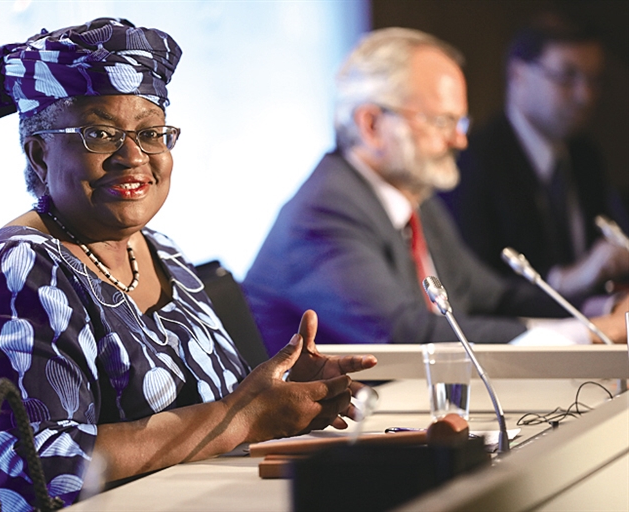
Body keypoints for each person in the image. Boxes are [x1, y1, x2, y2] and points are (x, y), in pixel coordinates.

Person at [0, 18, 375, 511]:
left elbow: (208, 411)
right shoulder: (18, 270)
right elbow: (37, 466)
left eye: (151, 133)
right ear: (39, 154)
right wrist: (241, 417)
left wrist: (285, 390)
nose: (133, 156)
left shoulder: (162, 253)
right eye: (100, 133)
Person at [242, 27, 629, 356]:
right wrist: (587, 333)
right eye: (442, 121)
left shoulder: (415, 198)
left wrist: (602, 307)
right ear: (371, 125)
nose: (460, 140)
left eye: (460, 122)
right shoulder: (325, 212)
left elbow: (493, 297)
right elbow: (407, 336)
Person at [441, 13, 629, 300]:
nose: (585, 96)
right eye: (567, 76)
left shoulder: (586, 156)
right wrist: (568, 279)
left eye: (594, 80)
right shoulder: (472, 159)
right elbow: (473, 284)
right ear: (518, 75)